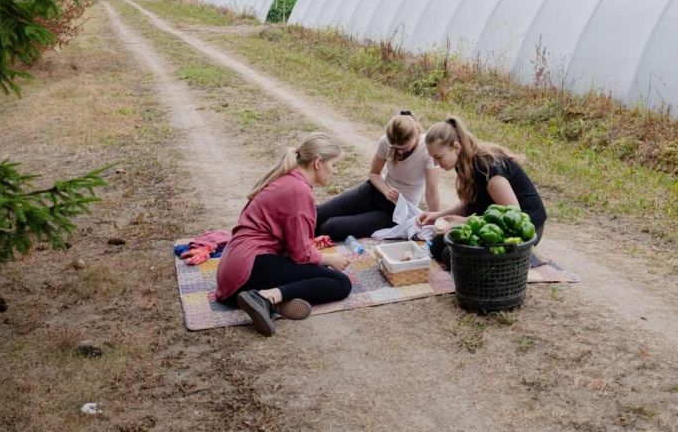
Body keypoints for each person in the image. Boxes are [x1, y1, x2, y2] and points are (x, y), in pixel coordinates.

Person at [214, 133, 354, 337]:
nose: (335, 171)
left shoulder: (289, 180)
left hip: (234, 272)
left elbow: (293, 247)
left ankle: (273, 303)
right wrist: (329, 258)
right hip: (247, 270)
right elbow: (300, 254)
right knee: (341, 283)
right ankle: (268, 297)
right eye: (334, 165)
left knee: (313, 272)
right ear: (318, 163)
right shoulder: (298, 190)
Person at [416, 116, 547, 258]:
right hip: (494, 221)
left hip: (525, 227)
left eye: (438, 157)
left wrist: (463, 222)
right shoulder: (462, 162)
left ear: (456, 147)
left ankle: (519, 260)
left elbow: (514, 214)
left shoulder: (487, 169)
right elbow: (470, 202)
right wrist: (437, 215)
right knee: (438, 246)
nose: (435, 163)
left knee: (452, 255)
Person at [315, 110, 441, 240]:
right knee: (318, 214)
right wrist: (386, 191)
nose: (400, 151)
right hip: (376, 191)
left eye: (404, 148)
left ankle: (307, 244)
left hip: (397, 210)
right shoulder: (386, 141)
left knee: (330, 228)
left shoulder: (426, 149)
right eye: (396, 148)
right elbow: (374, 173)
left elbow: (432, 193)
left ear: (416, 134)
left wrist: (435, 220)